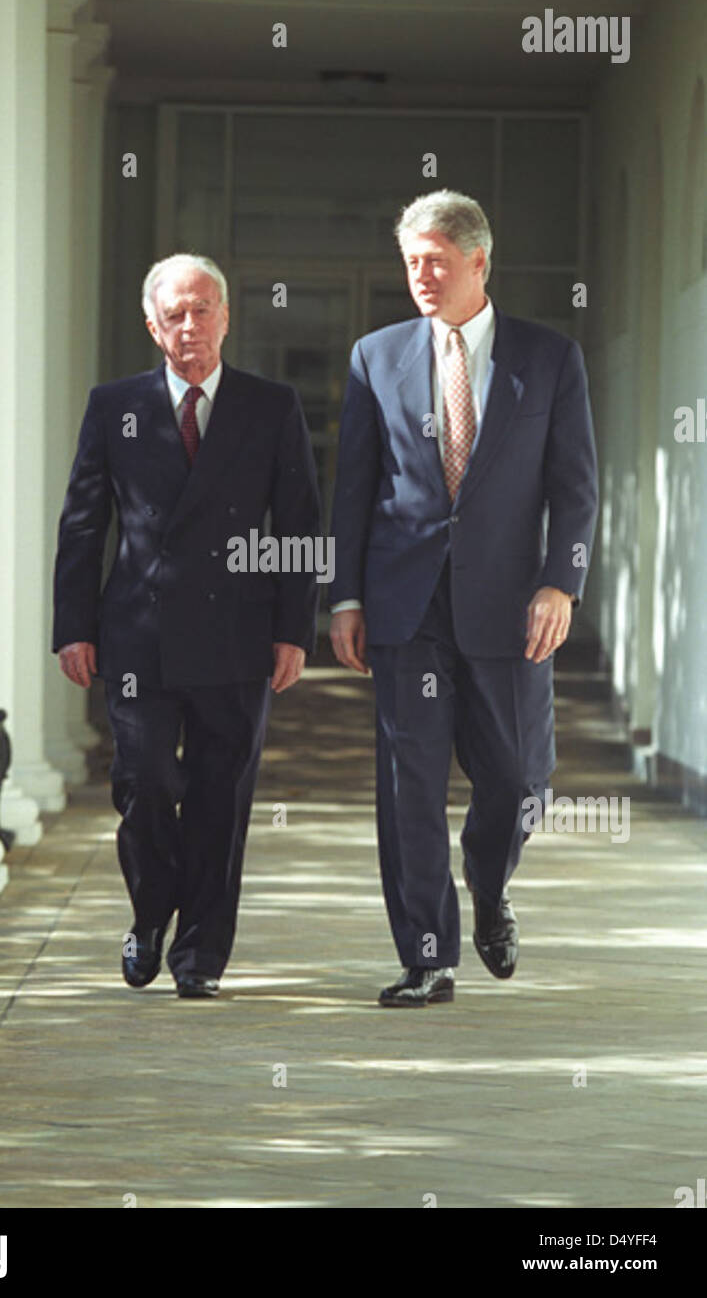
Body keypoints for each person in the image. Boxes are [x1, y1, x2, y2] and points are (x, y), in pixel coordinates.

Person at [329, 190, 599, 1007]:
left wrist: (562, 581)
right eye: (410, 261)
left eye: (436, 261)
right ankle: (426, 956)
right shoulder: (375, 356)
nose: (420, 275)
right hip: (405, 607)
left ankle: (488, 886)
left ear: (479, 262)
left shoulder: (548, 359)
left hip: (511, 606)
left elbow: (575, 487)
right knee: (410, 784)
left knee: (518, 778)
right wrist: (343, 597)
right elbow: (353, 488)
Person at [52, 254, 320, 999]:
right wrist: (73, 626)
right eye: (175, 312)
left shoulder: (271, 406)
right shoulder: (116, 406)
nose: (190, 324)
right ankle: (149, 912)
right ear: (152, 324)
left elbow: (299, 524)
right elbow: (83, 524)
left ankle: (199, 955)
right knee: (141, 783)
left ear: (227, 317)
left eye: (204, 309)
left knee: (219, 797)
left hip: (237, 635)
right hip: (137, 631)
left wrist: (295, 629)